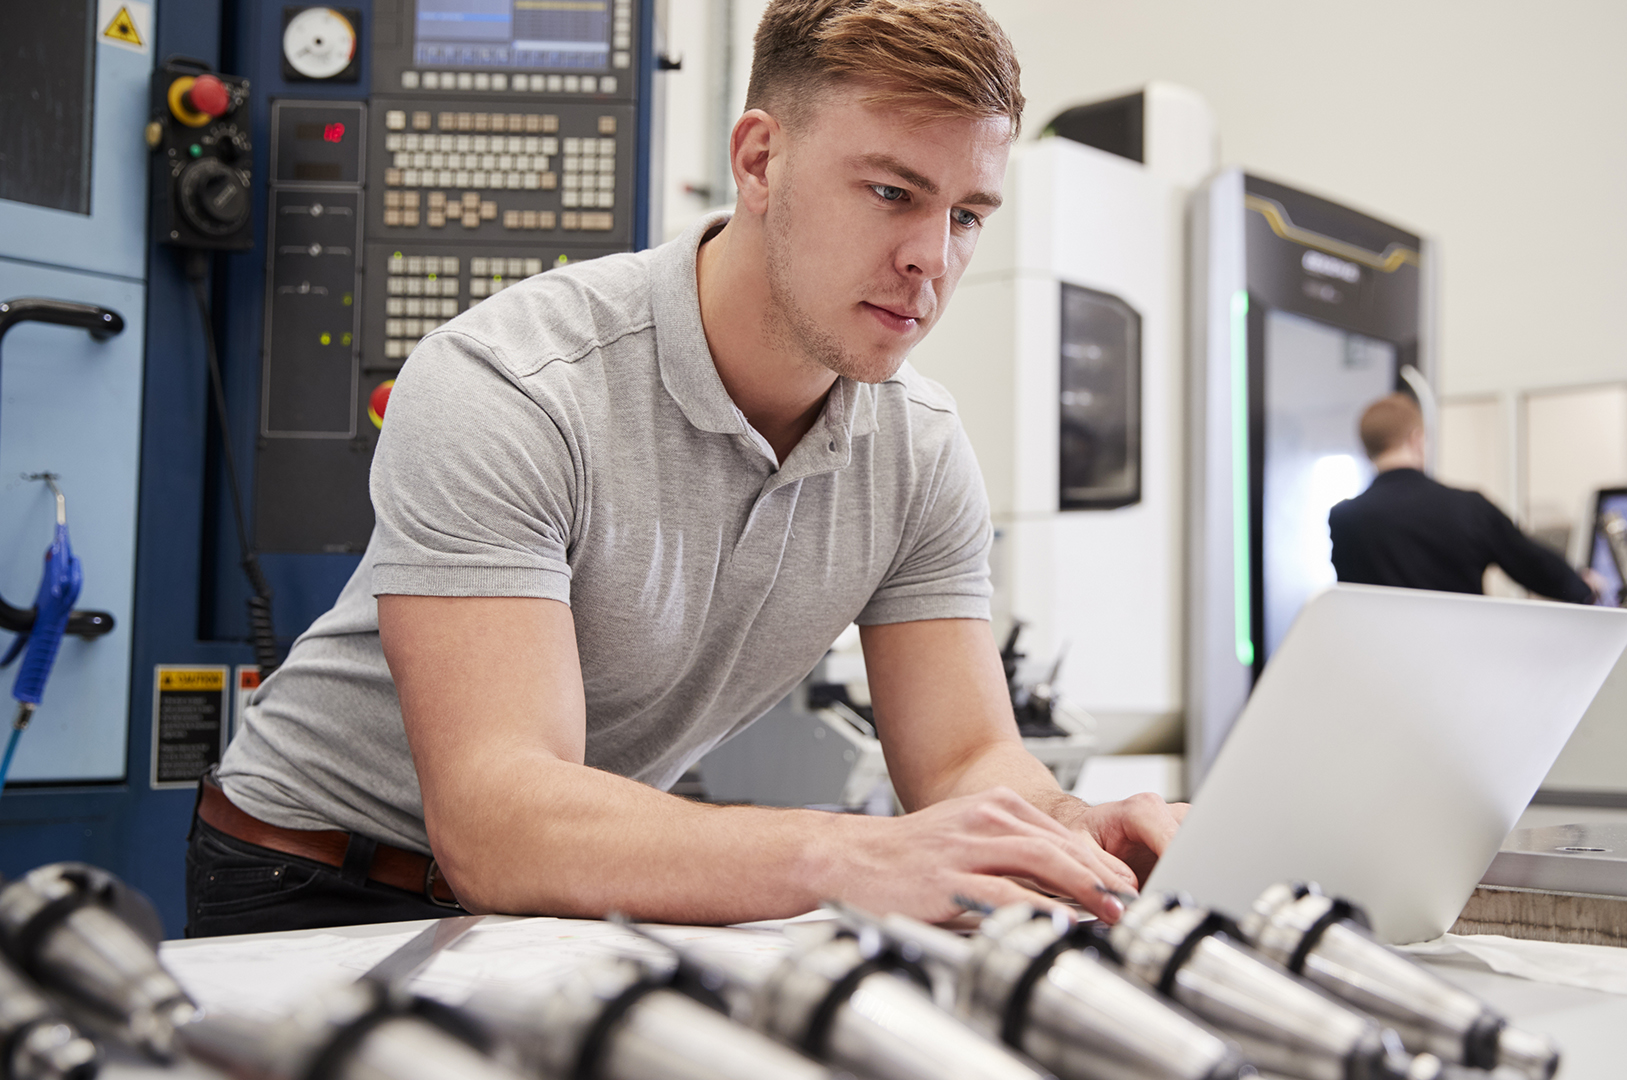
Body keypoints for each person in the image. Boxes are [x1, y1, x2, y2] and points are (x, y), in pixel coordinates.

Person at [187, 0, 1181, 937]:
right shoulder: (518, 383)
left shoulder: (920, 451)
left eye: (967, 215)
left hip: (556, 896)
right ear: (760, 160)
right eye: (891, 192)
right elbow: (499, 820)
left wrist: (1065, 828)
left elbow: (966, 759)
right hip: (315, 874)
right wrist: (852, 855)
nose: (931, 257)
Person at [1329, 394, 1595, 603]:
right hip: (1462, 662)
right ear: (1417, 439)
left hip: (1381, 664)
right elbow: (1533, 566)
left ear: (1367, 450)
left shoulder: (1344, 519)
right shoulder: (1469, 507)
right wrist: (1583, 586)